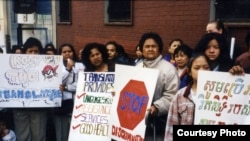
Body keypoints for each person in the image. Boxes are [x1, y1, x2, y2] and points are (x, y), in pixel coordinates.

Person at [136, 32, 180, 141]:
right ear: (141, 49)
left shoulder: (169, 69)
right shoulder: (137, 67)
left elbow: (172, 96)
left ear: (159, 49)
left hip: (159, 121)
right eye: (147, 46)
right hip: (137, 119)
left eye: (153, 46)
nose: (150, 49)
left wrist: (156, 107)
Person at [164, 53, 211, 141]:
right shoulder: (180, 96)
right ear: (189, 71)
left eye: (206, 67)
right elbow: (171, 128)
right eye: (197, 68)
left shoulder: (218, 97)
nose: (202, 71)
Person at [13, 37, 46, 141]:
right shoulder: (14, 66)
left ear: (40, 53)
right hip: (20, 108)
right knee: (22, 137)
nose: (33, 54)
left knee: (39, 137)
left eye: (36, 51)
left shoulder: (46, 66)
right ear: (24, 52)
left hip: (39, 108)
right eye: (30, 51)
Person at [55, 43, 84, 141]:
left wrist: (67, 87)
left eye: (69, 51)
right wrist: (68, 69)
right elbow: (57, 82)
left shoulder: (81, 66)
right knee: (62, 133)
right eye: (64, 52)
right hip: (62, 104)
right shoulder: (56, 66)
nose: (67, 53)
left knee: (76, 133)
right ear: (60, 54)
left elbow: (81, 84)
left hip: (77, 103)